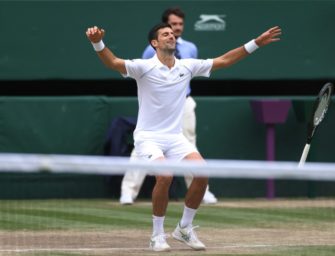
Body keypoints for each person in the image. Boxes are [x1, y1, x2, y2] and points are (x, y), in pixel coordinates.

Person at [86, 23, 281, 252]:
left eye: (172, 33)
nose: (171, 36)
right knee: (165, 176)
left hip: (175, 137)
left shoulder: (187, 66)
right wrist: (96, 42)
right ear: (154, 43)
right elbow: (113, 62)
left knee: (202, 174)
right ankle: (157, 235)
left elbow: (225, 60)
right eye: (165, 34)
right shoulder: (143, 67)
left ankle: (183, 229)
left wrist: (256, 42)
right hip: (148, 138)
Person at [119, 7, 218, 206]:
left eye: (180, 25)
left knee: (189, 144)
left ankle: (201, 189)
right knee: (141, 151)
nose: (177, 29)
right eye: (173, 25)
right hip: (157, 106)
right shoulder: (151, 50)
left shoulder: (190, 47)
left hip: (184, 102)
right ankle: (128, 191)